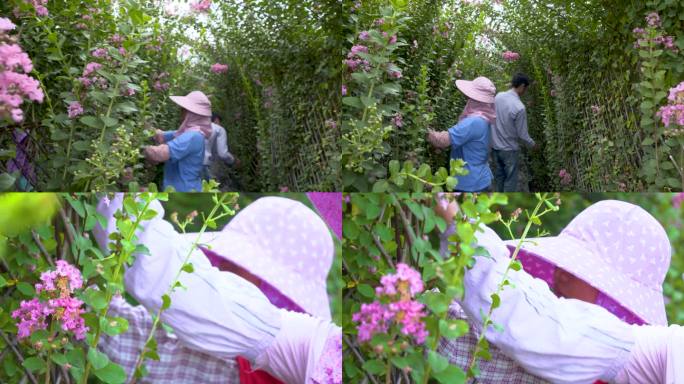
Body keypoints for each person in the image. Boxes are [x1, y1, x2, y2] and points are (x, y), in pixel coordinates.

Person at [93, 194, 341, 384]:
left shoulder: (260, 352)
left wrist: (123, 204)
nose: (219, 268)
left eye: (234, 264)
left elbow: (184, 294)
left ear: (271, 291)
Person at [437, 198, 682, 383]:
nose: (557, 274)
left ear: (614, 304)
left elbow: (542, 324)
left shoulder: (660, 351)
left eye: (577, 270)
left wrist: (460, 228)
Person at [427, 77, 496, 192]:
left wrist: (423, 129)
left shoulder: (473, 122)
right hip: (481, 177)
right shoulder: (485, 117)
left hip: (469, 183)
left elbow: (441, 140)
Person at [144, 91, 212, 192]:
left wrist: (140, 149)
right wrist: (147, 128)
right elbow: (163, 135)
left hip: (183, 190)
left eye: (184, 109)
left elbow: (159, 153)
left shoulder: (192, 136)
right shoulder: (189, 132)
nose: (181, 111)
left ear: (192, 114)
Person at [491, 73, 535, 192]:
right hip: (509, 150)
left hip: (495, 147)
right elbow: (523, 135)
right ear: (521, 86)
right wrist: (533, 145)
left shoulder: (499, 97)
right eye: (525, 88)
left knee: (499, 178)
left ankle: (498, 204)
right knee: (510, 181)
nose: (525, 91)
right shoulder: (519, 107)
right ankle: (505, 206)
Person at [203, 113, 238, 181]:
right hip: (205, 164)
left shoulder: (198, 127)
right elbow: (223, 154)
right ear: (216, 120)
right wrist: (233, 160)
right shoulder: (219, 129)